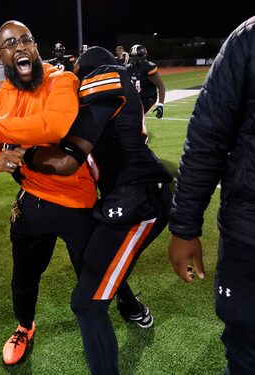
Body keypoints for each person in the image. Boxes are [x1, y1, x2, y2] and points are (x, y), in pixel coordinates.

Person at [21, 46, 173, 375]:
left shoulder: (106, 78)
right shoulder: (116, 85)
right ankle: (132, 307)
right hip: (126, 194)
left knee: (86, 303)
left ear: (88, 71)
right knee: (93, 256)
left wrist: (21, 153)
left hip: (139, 200)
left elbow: (67, 161)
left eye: (76, 72)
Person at [0, 20, 98, 366]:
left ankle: (125, 300)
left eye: (26, 40)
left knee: (94, 273)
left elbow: (53, 126)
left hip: (77, 199)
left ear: (36, 48)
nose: (20, 46)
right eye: (10, 43)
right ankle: (25, 326)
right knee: (23, 279)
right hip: (33, 201)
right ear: (0, 56)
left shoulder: (61, 80)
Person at [168, 16, 255, 375]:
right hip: (249, 236)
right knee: (246, 353)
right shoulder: (249, 39)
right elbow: (207, 137)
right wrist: (185, 227)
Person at [126, 44, 165, 118]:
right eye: (132, 56)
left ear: (143, 55)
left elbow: (161, 86)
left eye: (137, 55)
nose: (134, 58)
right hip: (135, 98)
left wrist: (160, 105)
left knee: (135, 116)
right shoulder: (127, 69)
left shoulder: (148, 68)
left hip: (147, 98)